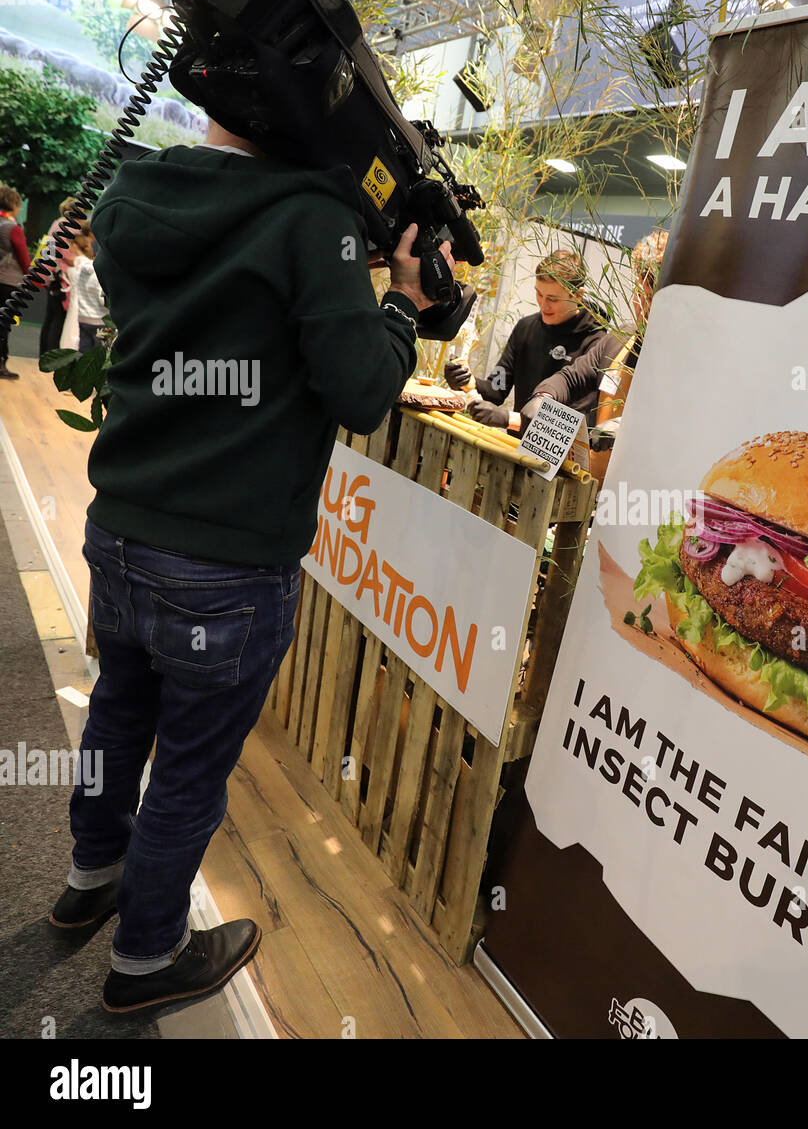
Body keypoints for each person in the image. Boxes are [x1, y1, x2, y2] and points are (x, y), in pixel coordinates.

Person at [50, 117, 451, 1014]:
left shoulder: (133, 191)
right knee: (190, 766)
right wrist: (400, 306)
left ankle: (89, 877)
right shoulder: (312, 217)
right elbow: (358, 390)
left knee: (118, 713)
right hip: (227, 562)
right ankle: (147, 958)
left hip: (121, 527)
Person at [529, 229, 668, 480]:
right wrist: (543, 396)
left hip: (639, 494)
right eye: (637, 293)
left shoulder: (680, 360)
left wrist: (628, 430)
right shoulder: (620, 339)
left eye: (646, 296)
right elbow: (571, 378)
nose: (637, 303)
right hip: (591, 489)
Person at [444, 249, 603, 433]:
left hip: (560, 458)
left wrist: (507, 419)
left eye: (552, 299)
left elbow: (574, 424)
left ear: (577, 295)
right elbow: (497, 388)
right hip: (514, 448)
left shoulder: (596, 343)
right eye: (539, 294)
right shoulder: (526, 327)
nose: (543, 305)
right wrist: (467, 381)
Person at [34, 198, 81, 356]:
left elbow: (51, 248)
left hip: (52, 275)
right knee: (59, 318)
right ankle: (52, 354)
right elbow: (66, 252)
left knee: (50, 316)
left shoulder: (56, 223)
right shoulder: (72, 227)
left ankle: (44, 353)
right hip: (64, 277)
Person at [0, 183, 32, 380]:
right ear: (13, 204)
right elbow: (24, 259)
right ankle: (2, 364)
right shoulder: (13, 228)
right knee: (4, 325)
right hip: (9, 282)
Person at [69, 229, 108, 352]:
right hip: (99, 320)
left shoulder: (78, 269)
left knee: (83, 353)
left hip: (82, 317)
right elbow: (101, 298)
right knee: (100, 355)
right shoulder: (97, 273)